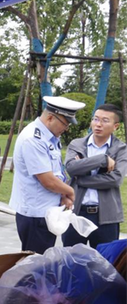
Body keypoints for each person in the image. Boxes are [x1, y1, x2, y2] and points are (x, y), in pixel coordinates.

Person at [10, 95, 84, 254]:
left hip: (45, 212)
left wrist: (62, 194)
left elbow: (56, 174)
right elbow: (48, 181)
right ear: (51, 118)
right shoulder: (33, 139)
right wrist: (70, 191)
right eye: (65, 123)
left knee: (40, 266)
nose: (66, 128)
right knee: (35, 269)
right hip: (36, 215)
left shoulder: (48, 137)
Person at [63, 104, 127, 248]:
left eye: (105, 120)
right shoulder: (77, 145)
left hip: (106, 217)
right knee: (71, 260)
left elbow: (115, 179)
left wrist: (80, 180)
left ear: (115, 126)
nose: (98, 124)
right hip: (76, 213)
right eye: (95, 119)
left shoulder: (121, 149)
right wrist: (102, 159)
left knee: (104, 263)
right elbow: (71, 168)